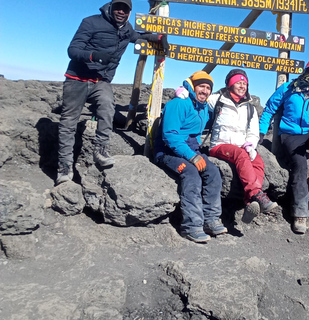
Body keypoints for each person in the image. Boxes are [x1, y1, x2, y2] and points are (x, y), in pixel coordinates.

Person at [56, 0, 168, 185]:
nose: (121, 12)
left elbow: (138, 36)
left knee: (108, 108)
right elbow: (73, 49)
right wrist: (93, 55)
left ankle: (100, 150)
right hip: (77, 80)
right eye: (118, 7)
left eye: (125, 9)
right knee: (69, 122)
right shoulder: (91, 22)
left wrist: (157, 38)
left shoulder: (126, 29)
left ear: (129, 12)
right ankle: (65, 168)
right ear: (110, 7)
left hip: (101, 81)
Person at [258, 59, 309, 234]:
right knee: (300, 165)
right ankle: (300, 213)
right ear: (304, 70)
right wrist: (260, 132)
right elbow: (269, 109)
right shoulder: (288, 88)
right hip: (290, 135)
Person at [154, 71, 226, 243]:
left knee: (214, 173)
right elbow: (170, 135)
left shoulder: (202, 108)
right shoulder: (179, 103)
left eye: (208, 88)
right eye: (202, 86)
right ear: (193, 86)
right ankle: (191, 226)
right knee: (191, 174)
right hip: (167, 152)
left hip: (191, 149)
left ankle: (211, 219)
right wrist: (192, 157)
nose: (205, 91)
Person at [207, 69, 277, 223]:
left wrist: (251, 145)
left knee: (258, 161)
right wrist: (185, 92)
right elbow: (199, 96)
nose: (242, 86)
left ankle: (249, 204)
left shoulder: (250, 108)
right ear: (230, 84)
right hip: (219, 145)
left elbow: (253, 131)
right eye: (239, 82)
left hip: (241, 146)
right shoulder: (218, 100)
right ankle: (257, 195)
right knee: (241, 155)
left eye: (245, 83)